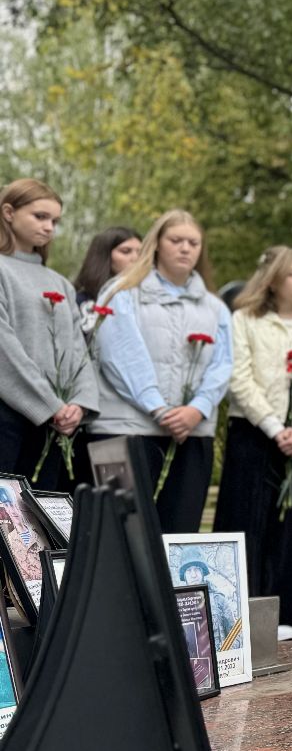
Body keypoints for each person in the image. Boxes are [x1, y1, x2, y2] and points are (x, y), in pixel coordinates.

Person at [213, 246, 292, 640]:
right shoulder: (245, 320)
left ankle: (287, 613)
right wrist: (272, 425)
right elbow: (239, 377)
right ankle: (239, 612)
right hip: (254, 433)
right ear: (273, 281)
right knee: (247, 520)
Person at [91, 210, 232, 532]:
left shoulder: (215, 308)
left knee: (178, 533)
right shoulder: (122, 292)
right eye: (176, 240)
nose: (185, 248)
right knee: (121, 535)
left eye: (193, 242)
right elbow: (120, 355)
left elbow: (223, 365)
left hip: (190, 433)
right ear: (156, 245)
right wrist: (160, 408)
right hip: (128, 428)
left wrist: (197, 409)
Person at [0, 179, 98, 489]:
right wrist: (50, 404)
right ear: (8, 212)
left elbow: (77, 351)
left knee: (39, 528)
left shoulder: (60, 283)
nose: (49, 227)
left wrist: (78, 404)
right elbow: (5, 349)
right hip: (8, 416)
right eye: (40, 216)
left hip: (55, 423)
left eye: (54, 220)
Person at [73, 226, 142, 332]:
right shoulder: (80, 301)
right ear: (104, 256)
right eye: (126, 251)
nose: (136, 258)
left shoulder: (150, 297)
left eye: (140, 253)